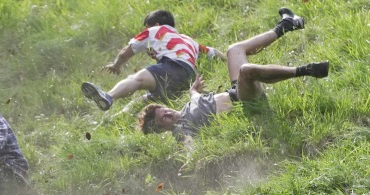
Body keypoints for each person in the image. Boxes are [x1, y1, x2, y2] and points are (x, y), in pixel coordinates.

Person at [137, 7, 329, 142]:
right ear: (163, 129)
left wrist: (193, 90)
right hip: (246, 105)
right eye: (165, 119)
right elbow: (189, 145)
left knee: (234, 50)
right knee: (246, 71)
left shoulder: (187, 108)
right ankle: (307, 70)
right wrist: (190, 160)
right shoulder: (181, 130)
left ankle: (288, 24)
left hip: (237, 91)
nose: (170, 114)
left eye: (166, 111)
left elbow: (194, 96)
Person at [81, 10, 224, 113]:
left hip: (172, 66)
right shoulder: (189, 40)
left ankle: (108, 97)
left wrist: (116, 66)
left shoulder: (154, 30)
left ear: (155, 24)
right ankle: (117, 117)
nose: (146, 30)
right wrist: (229, 58)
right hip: (188, 80)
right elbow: (214, 52)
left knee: (137, 79)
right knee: (144, 100)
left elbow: (126, 52)